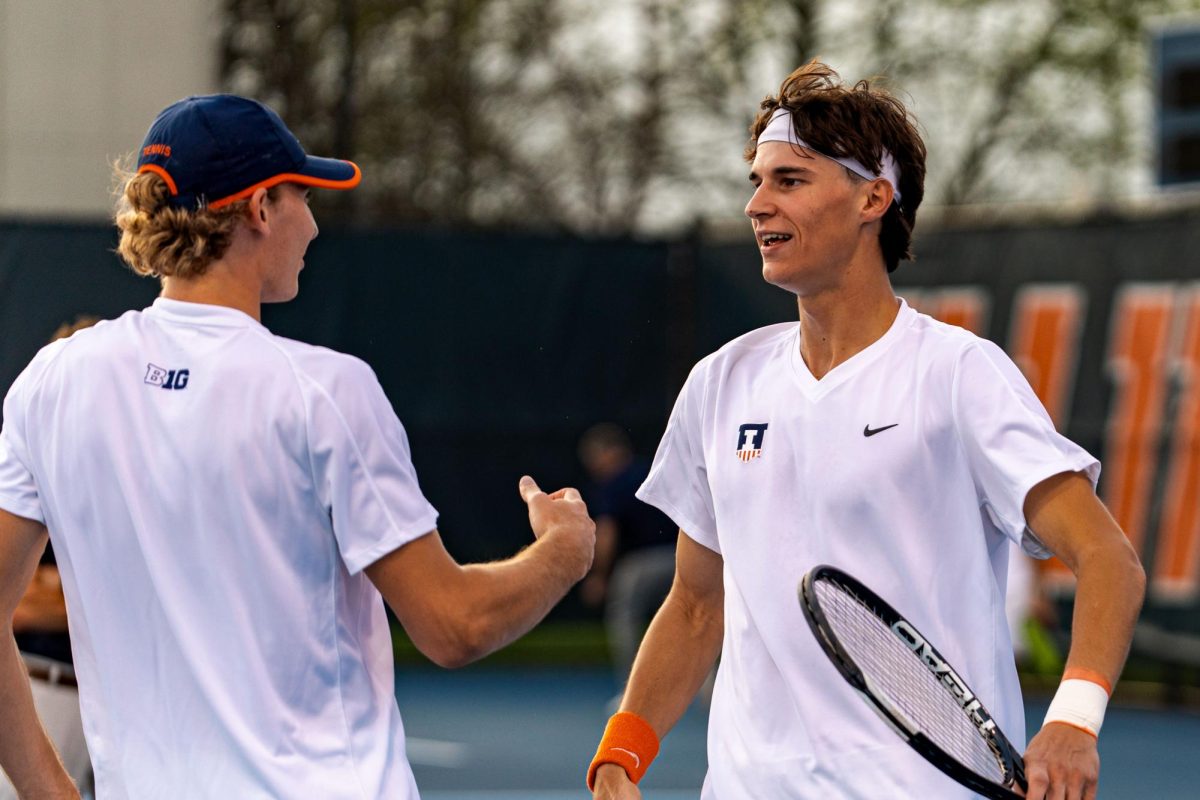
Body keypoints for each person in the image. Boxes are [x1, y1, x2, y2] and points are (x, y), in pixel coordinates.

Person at [0, 94, 595, 799]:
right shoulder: (324, 391)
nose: (312, 225)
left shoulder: (55, 380)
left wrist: (51, 793)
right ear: (258, 209)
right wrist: (564, 551)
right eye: (302, 198)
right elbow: (454, 626)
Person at [587, 62, 1145, 800]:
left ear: (872, 198)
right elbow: (696, 606)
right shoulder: (720, 384)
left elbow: (1108, 556)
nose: (757, 204)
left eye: (789, 180)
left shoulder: (959, 374)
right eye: (756, 181)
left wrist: (1074, 719)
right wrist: (621, 754)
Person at [0, 318, 100, 800]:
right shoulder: (25, 460)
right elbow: (11, 605)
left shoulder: (119, 476)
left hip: (103, 708)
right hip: (33, 695)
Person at [577, 423, 677, 692]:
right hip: (682, 558)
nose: (594, 466)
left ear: (610, 452)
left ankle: (633, 691)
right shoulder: (654, 470)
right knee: (695, 614)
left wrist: (598, 576)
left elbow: (607, 533)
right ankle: (709, 689)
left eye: (595, 458)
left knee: (623, 616)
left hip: (643, 563)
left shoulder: (614, 483)